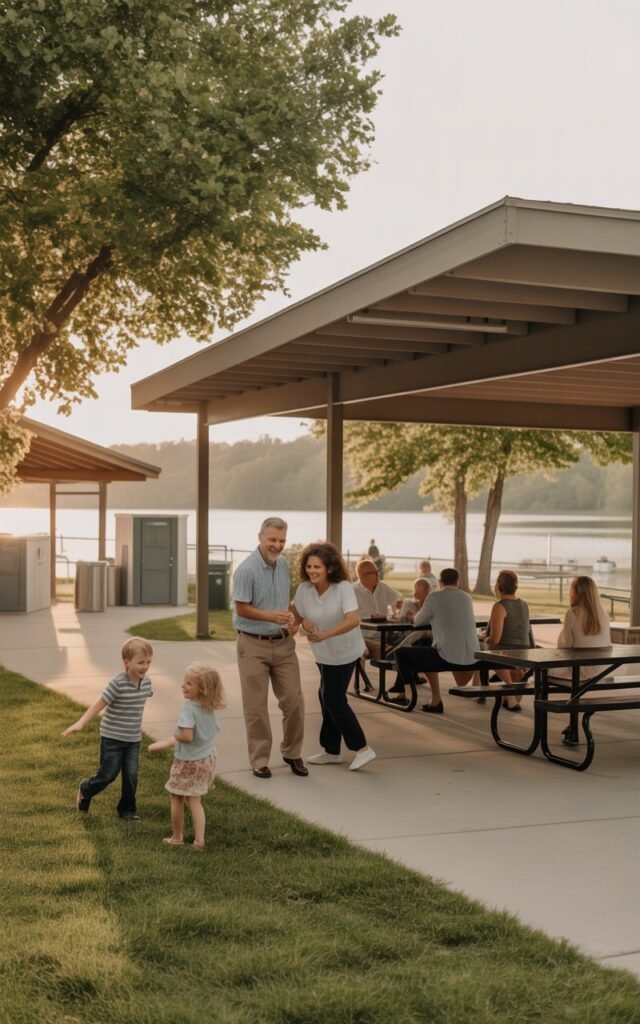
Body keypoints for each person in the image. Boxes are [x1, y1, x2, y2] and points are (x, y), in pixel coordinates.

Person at [232, 516, 307, 779]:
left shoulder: (284, 564)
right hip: (252, 645)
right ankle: (260, 759)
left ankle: (292, 752)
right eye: (272, 539)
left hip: (283, 644)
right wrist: (270, 617)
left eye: (282, 540)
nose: (277, 545)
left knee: (295, 701)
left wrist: (292, 622)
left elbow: (285, 604)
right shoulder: (246, 570)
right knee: (256, 707)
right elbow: (241, 608)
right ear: (260, 538)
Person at [293, 542, 376, 771]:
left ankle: (362, 748)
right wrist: (304, 623)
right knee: (325, 696)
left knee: (333, 699)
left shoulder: (343, 588)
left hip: (346, 652)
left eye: (317, 566)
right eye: (309, 566)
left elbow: (353, 619)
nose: (312, 571)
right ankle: (331, 751)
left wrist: (327, 634)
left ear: (329, 568)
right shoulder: (304, 590)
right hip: (323, 654)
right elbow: (299, 615)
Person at [62, 636, 154, 820]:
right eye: (141, 662)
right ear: (126, 663)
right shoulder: (117, 683)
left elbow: (138, 703)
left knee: (131, 776)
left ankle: (127, 811)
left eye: (148, 662)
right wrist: (81, 723)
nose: (145, 666)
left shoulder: (147, 683)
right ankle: (86, 789)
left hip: (133, 739)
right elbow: (99, 704)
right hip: (112, 737)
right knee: (108, 775)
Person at [149, 662, 224, 850]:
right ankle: (199, 841)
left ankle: (177, 837)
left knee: (176, 796)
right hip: (207, 757)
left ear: (203, 688)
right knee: (195, 799)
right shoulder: (208, 706)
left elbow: (187, 736)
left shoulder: (188, 709)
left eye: (189, 683)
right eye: (184, 682)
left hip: (189, 761)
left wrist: (168, 741)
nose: (183, 686)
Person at [395, 568, 478, 713]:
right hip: (472, 656)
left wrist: (412, 616)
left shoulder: (434, 597)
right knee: (427, 646)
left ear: (440, 582)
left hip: (447, 657)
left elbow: (418, 621)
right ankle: (435, 700)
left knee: (401, 653)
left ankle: (408, 693)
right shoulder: (466, 597)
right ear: (457, 582)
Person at [482, 569, 531, 710]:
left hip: (508, 652)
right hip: (525, 651)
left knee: (484, 650)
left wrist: (485, 640)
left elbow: (495, 639)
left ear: (499, 586)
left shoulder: (500, 606)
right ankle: (510, 695)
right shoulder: (524, 604)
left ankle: (509, 693)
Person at [552, 575, 611, 680]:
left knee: (542, 671)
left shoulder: (572, 613)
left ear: (575, 592)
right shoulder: (603, 614)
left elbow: (565, 646)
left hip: (579, 671)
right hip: (602, 670)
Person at [353, 557, 401, 660]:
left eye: (377, 571)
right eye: (373, 572)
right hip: (363, 638)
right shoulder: (351, 591)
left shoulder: (382, 587)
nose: (377, 574)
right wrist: (369, 617)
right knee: (395, 653)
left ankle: (415, 673)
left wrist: (402, 606)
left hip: (385, 636)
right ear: (362, 576)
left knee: (414, 645)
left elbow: (399, 601)